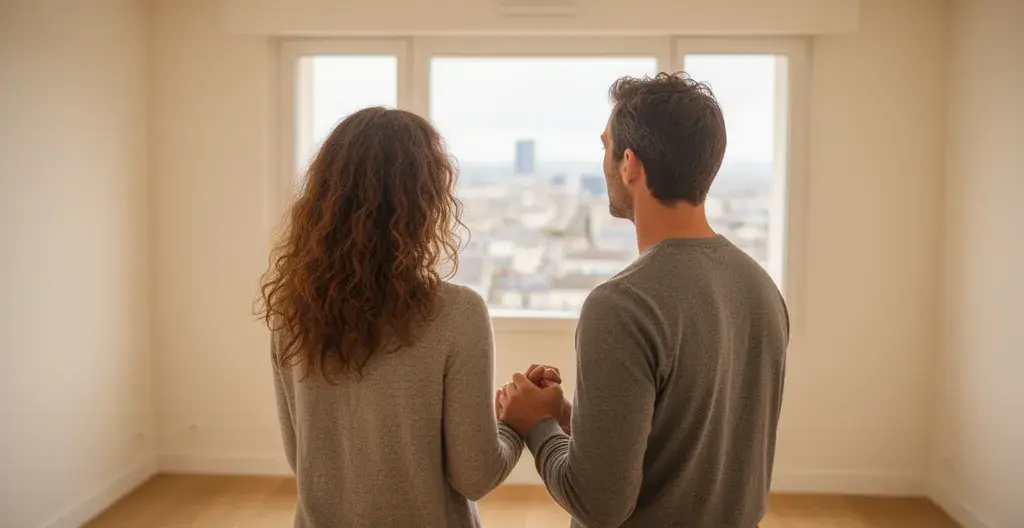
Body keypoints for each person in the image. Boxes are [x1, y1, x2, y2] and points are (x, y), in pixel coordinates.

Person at [497, 73, 790, 528]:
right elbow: (682, 444)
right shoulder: (760, 287)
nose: (604, 162)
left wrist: (537, 426)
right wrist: (570, 419)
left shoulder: (621, 306)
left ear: (629, 164)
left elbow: (599, 504)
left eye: (606, 147)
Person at [258, 107, 522, 528]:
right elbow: (475, 476)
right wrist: (515, 422)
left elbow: (304, 460)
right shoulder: (457, 313)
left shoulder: (291, 311)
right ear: (427, 203)